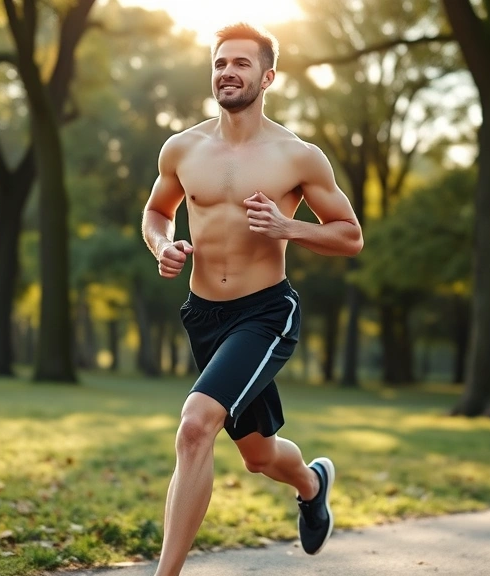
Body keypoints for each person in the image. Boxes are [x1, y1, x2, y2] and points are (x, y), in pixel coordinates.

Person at [140, 22, 363, 576]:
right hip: (203, 315)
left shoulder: (298, 156)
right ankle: (312, 485)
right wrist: (162, 246)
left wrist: (291, 228)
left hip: (265, 312)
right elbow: (155, 213)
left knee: (196, 425)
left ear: (267, 76)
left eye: (240, 64)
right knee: (259, 455)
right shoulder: (182, 148)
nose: (227, 73)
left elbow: (350, 235)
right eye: (219, 63)